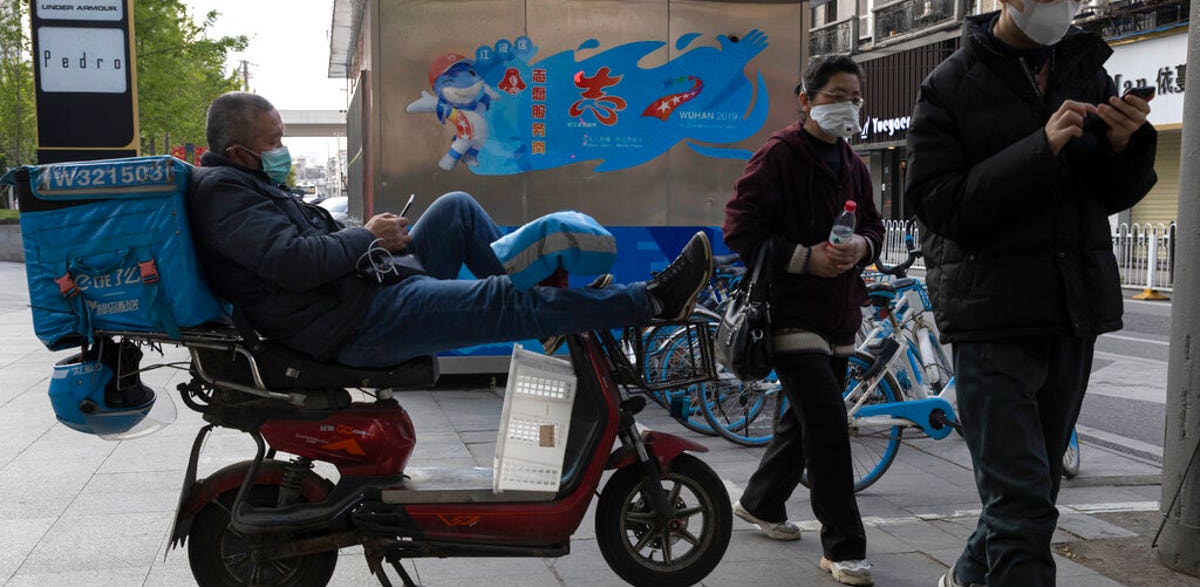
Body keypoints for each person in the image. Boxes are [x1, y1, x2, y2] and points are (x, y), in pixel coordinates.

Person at [904, 0, 1157, 587]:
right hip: (991, 321)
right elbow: (940, 206)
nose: (1066, 6)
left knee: (1032, 496)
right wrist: (1038, 147)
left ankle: (963, 577)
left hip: (1070, 316)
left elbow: (1104, 195)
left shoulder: (1087, 70)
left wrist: (1128, 148)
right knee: (1020, 510)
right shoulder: (948, 86)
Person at [188, 91, 713, 367]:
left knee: (457, 206)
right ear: (239, 151)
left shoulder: (248, 181)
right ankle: (653, 301)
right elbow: (293, 262)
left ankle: (544, 311)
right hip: (355, 323)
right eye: (274, 141)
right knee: (503, 301)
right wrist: (366, 236)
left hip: (366, 290)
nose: (282, 149)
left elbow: (303, 248)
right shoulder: (225, 192)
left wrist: (370, 237)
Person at [723, 55, 884, 587]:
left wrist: (862, 245)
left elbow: (876, 231)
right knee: (830, 428)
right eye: (837, 95)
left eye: (856, 98)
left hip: (840, 313)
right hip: (790, 312)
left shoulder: (852, 162)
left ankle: (762, 502)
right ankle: (844, 547)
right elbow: (740, 231)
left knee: (804, 421)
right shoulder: (779, 156)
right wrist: (803, 258)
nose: (849, 107)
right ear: (807, 99)